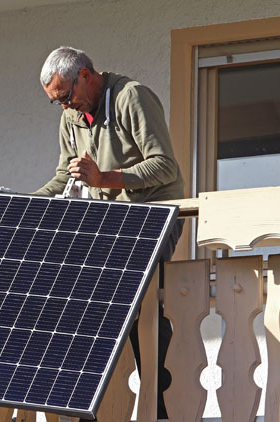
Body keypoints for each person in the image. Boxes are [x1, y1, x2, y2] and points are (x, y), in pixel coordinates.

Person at [36, 46, 185, 419]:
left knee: (140, 303)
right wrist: (28, 204)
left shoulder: (131, 97)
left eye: (67, 96)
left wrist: (105, 179)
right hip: (112, 223)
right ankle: (94, 399)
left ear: (86, 75)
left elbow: (164, 166)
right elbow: (63, 175)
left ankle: (157, 399)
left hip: (154, 213)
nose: (66, 107)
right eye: (57, 102)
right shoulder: (71, 118)